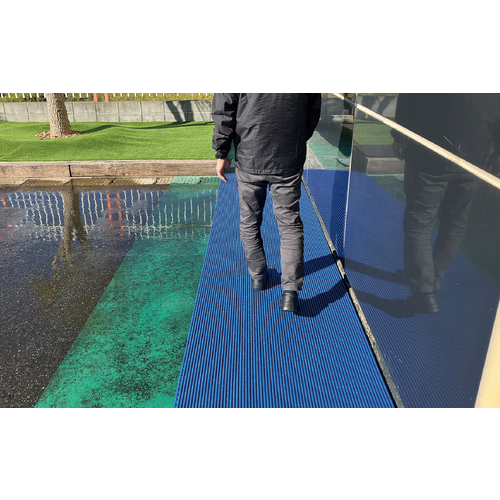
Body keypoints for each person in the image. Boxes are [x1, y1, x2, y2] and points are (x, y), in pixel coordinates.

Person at [212, 93, 322, 313]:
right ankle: (290, 292)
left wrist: (222, 152)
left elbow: (224, 111)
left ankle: (258, 276)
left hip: (250, 157)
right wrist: (297, 138)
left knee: (249, 220)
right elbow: (312, 111)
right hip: (288, 157)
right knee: (290, 225)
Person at [392, 93, 500, 314]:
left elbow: (410, 96)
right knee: (455, 221)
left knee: (419, 221)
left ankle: (423, 290)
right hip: (474, 152)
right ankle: (434, 277)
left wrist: (399, 135)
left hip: (430, 147)